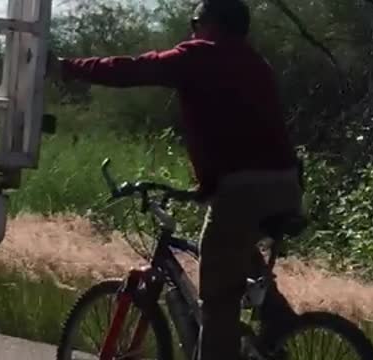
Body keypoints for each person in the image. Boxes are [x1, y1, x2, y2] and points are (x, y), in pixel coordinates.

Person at [46, 1, 304, 359]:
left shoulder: (200, 56)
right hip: (286, 185)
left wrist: (65, 68)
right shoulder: (255, 62)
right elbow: (247, 130)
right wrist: (208, 186)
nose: (191, 30)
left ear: (211, 24)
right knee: (236, 250)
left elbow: (132, 70)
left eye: (194, 22)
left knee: (216, 298)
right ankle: (278, 323)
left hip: (244, 190)